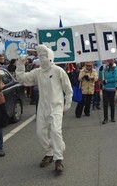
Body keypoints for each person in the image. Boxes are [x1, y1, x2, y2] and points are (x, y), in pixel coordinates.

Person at [15, 45, 73, 173]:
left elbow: (68, 89)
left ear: (50, 56)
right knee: (40, 133)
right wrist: (20, 63)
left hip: (56, 106)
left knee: (55, 132)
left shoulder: (58, 71)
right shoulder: (37, 72)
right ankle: (49, 152)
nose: (42, 59)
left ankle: (58, 159)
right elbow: (22, 79)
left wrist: (66, 104)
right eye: (40, 56)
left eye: (44, 56)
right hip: (42, 107)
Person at [99, 59, 117, 124]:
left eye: (107, 62)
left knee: (112, 104)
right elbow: (101, 78)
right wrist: (100, 71)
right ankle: (105, 118)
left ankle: (112, 117)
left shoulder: (115, 69)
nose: (105, 63)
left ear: (110, 62)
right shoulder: (105, 69)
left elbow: (115, 78)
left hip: (112, 89)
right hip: (105, 89)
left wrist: (107, 81)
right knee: (105, 104)